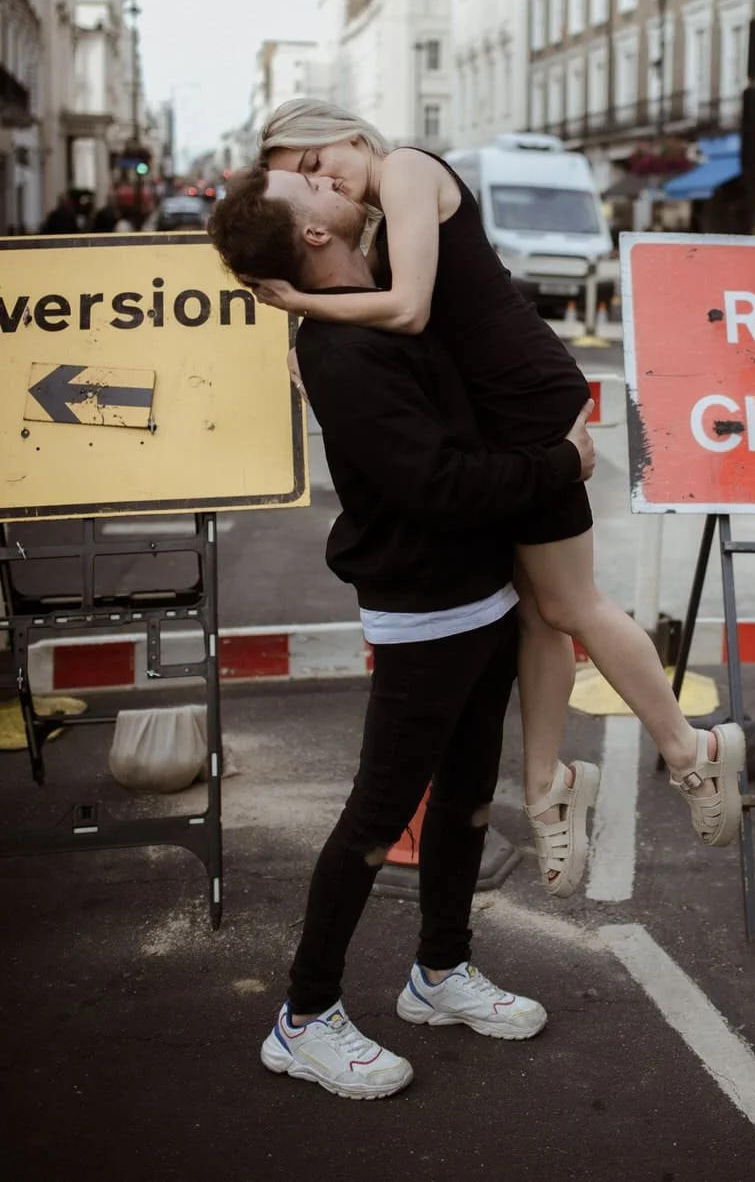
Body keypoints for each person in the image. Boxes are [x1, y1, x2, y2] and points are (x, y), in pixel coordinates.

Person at [256, 98, 744, 895]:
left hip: (521, 402)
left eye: (317, 162)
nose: (325, 180)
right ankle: (548, 785)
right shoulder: (373, 224)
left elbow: (409, 311)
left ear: (346, 134)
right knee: (534, 609)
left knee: (572, 603)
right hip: (488, 418)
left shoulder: (408, 169)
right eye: (304, 183)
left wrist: (299, 307)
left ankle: (690, 750)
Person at [208, 163, 597, 1100]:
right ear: (311, 236)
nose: (327, 175)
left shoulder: (386, 309)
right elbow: (439, 484)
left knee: (468, 801)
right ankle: (302, 1017)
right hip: (423, 614)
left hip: (483, 599)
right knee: (376, 823)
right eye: (306, 182)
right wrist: (561, 463)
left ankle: (441, 971)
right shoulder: (341, 352)